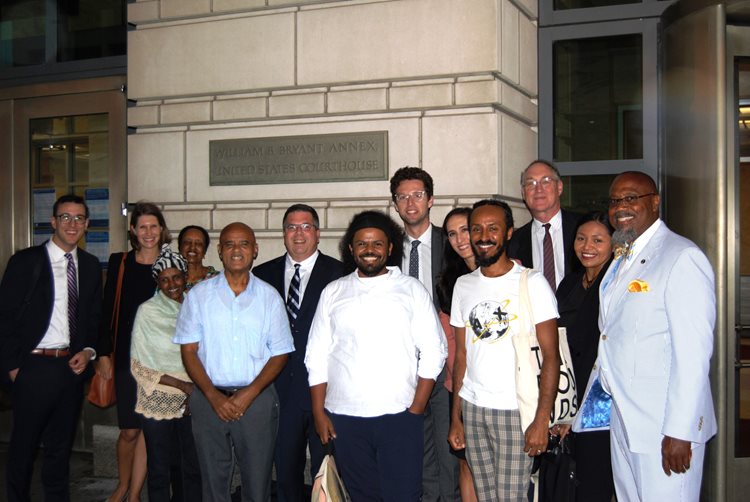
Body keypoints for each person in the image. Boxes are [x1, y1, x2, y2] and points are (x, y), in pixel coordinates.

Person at [305, 210, 447, 502]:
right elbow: (316, 356)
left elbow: (434, 350)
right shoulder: (334, 291)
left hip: (399, 416)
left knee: (404, 495)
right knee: (361, 496)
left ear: (390, 248)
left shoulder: (410, 289)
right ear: (351, 249)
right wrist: (319, 413)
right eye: (362, 244)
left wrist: (417, 408)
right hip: (344, 417)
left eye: (377, 244)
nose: (369, 250)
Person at [595, 171, 716, 501]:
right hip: (625, 418)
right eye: (615, 200)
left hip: (663, 426)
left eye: (631, 198)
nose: (621, 206)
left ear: (655, 202)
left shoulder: (681, 257)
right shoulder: (623, 255)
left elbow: (693, 354)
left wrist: (680, 430)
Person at [448, 199, 559, 502]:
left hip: (516, 410)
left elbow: (552, 356)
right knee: (485, 496)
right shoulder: (463, 285)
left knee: (511, 497)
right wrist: (455, 417)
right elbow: (461, 356)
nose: (483, 236)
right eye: (476, 229)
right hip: (473, 408)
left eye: (492, 228)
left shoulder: (532, 282)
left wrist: (541, 419)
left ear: (508, 233)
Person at [174, 222, 294, 501]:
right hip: (208, 398)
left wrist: (247, 395)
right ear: (219, 251)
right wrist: (213, 397)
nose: (236, 250)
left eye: (243, 244)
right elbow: (189, 351)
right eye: (229, 244)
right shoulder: (199, 296)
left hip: (257, 400)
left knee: (257, 481)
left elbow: (281, 353)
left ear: (255, 250)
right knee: (213, 482)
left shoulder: (269, 297)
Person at [0, 194, 102, 501]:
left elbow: (94, 319)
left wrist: (89, 352)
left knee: (60, 449)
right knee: (24, 448)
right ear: (53, 222)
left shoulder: (90, 265)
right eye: (66, 218)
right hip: (33, 368)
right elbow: (4, 319)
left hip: (70, 368)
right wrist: (14, 368)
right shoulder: (26, 262)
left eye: (79, 218)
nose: (72, 224)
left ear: (86, 224)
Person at [253, 204, 344, 502]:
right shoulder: (261, 275)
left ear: (317, 234)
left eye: (306, 226)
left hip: (326, 393)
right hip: (280, 393)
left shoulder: (340, 274)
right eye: (292, 227)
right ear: (283, 234)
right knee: (286, 474)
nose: (299, 233)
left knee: (326, 473)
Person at [389, 166, 457, 502]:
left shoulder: (453, 243)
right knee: (416, 448)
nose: (410, 202)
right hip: (402, 366)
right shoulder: (385, 250)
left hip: (445, 365)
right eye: (403, 196)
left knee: (448, 451)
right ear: (395, 204)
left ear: (431, 200)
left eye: (417, 194)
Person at [97, 201, 171, 502]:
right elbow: (106, 312)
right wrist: (103, 354)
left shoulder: (170, 266)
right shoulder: (120, 262)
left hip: (158, 360)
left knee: (148, 429)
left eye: (154, 226)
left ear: (162, 230)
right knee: (129, 429)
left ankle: (134, 493)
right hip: (127, 359)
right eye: (143, 227)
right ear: (133, 231)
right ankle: (122, 484)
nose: (149, 232)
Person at [130, 246, 201, 502]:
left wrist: (198, 390)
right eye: (164, 280)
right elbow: (139, 365)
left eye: (176, 277)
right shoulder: (148, 311)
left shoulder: (196, 306)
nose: (172, 284)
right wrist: (184, 386)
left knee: (190, 468)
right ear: (157, 283)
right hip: (158, 397)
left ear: (185, 276)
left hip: (193, 399)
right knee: (160, 469)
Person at [555, 212, 615, 502]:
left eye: (598, 240)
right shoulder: (569, 283)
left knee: (596, 479)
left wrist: (577, 410)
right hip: (568, 389)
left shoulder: (616, 284)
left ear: (613, 244)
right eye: (581, 238)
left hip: (600, 399)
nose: (587, 246)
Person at [435, 207, 478, 502]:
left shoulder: (512, 271)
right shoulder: (448, 281)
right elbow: (452, 344)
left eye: (465, 230)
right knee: (465, 463)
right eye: (452, 233)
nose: (460, 239)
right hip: (461, 386)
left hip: (502, 388)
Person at [507, 159, 580, 291]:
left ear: (559, 187)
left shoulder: (582, 228)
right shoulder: (514, 242)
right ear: (523, 193)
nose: (538, 189)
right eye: (531, 183)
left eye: (546, 181)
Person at [178, 225, 219, 290]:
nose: (192, 247)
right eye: (187, 242)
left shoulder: (218, 280)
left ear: (204, 250)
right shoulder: (170, 279)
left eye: (199, 243)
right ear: (179, 247)